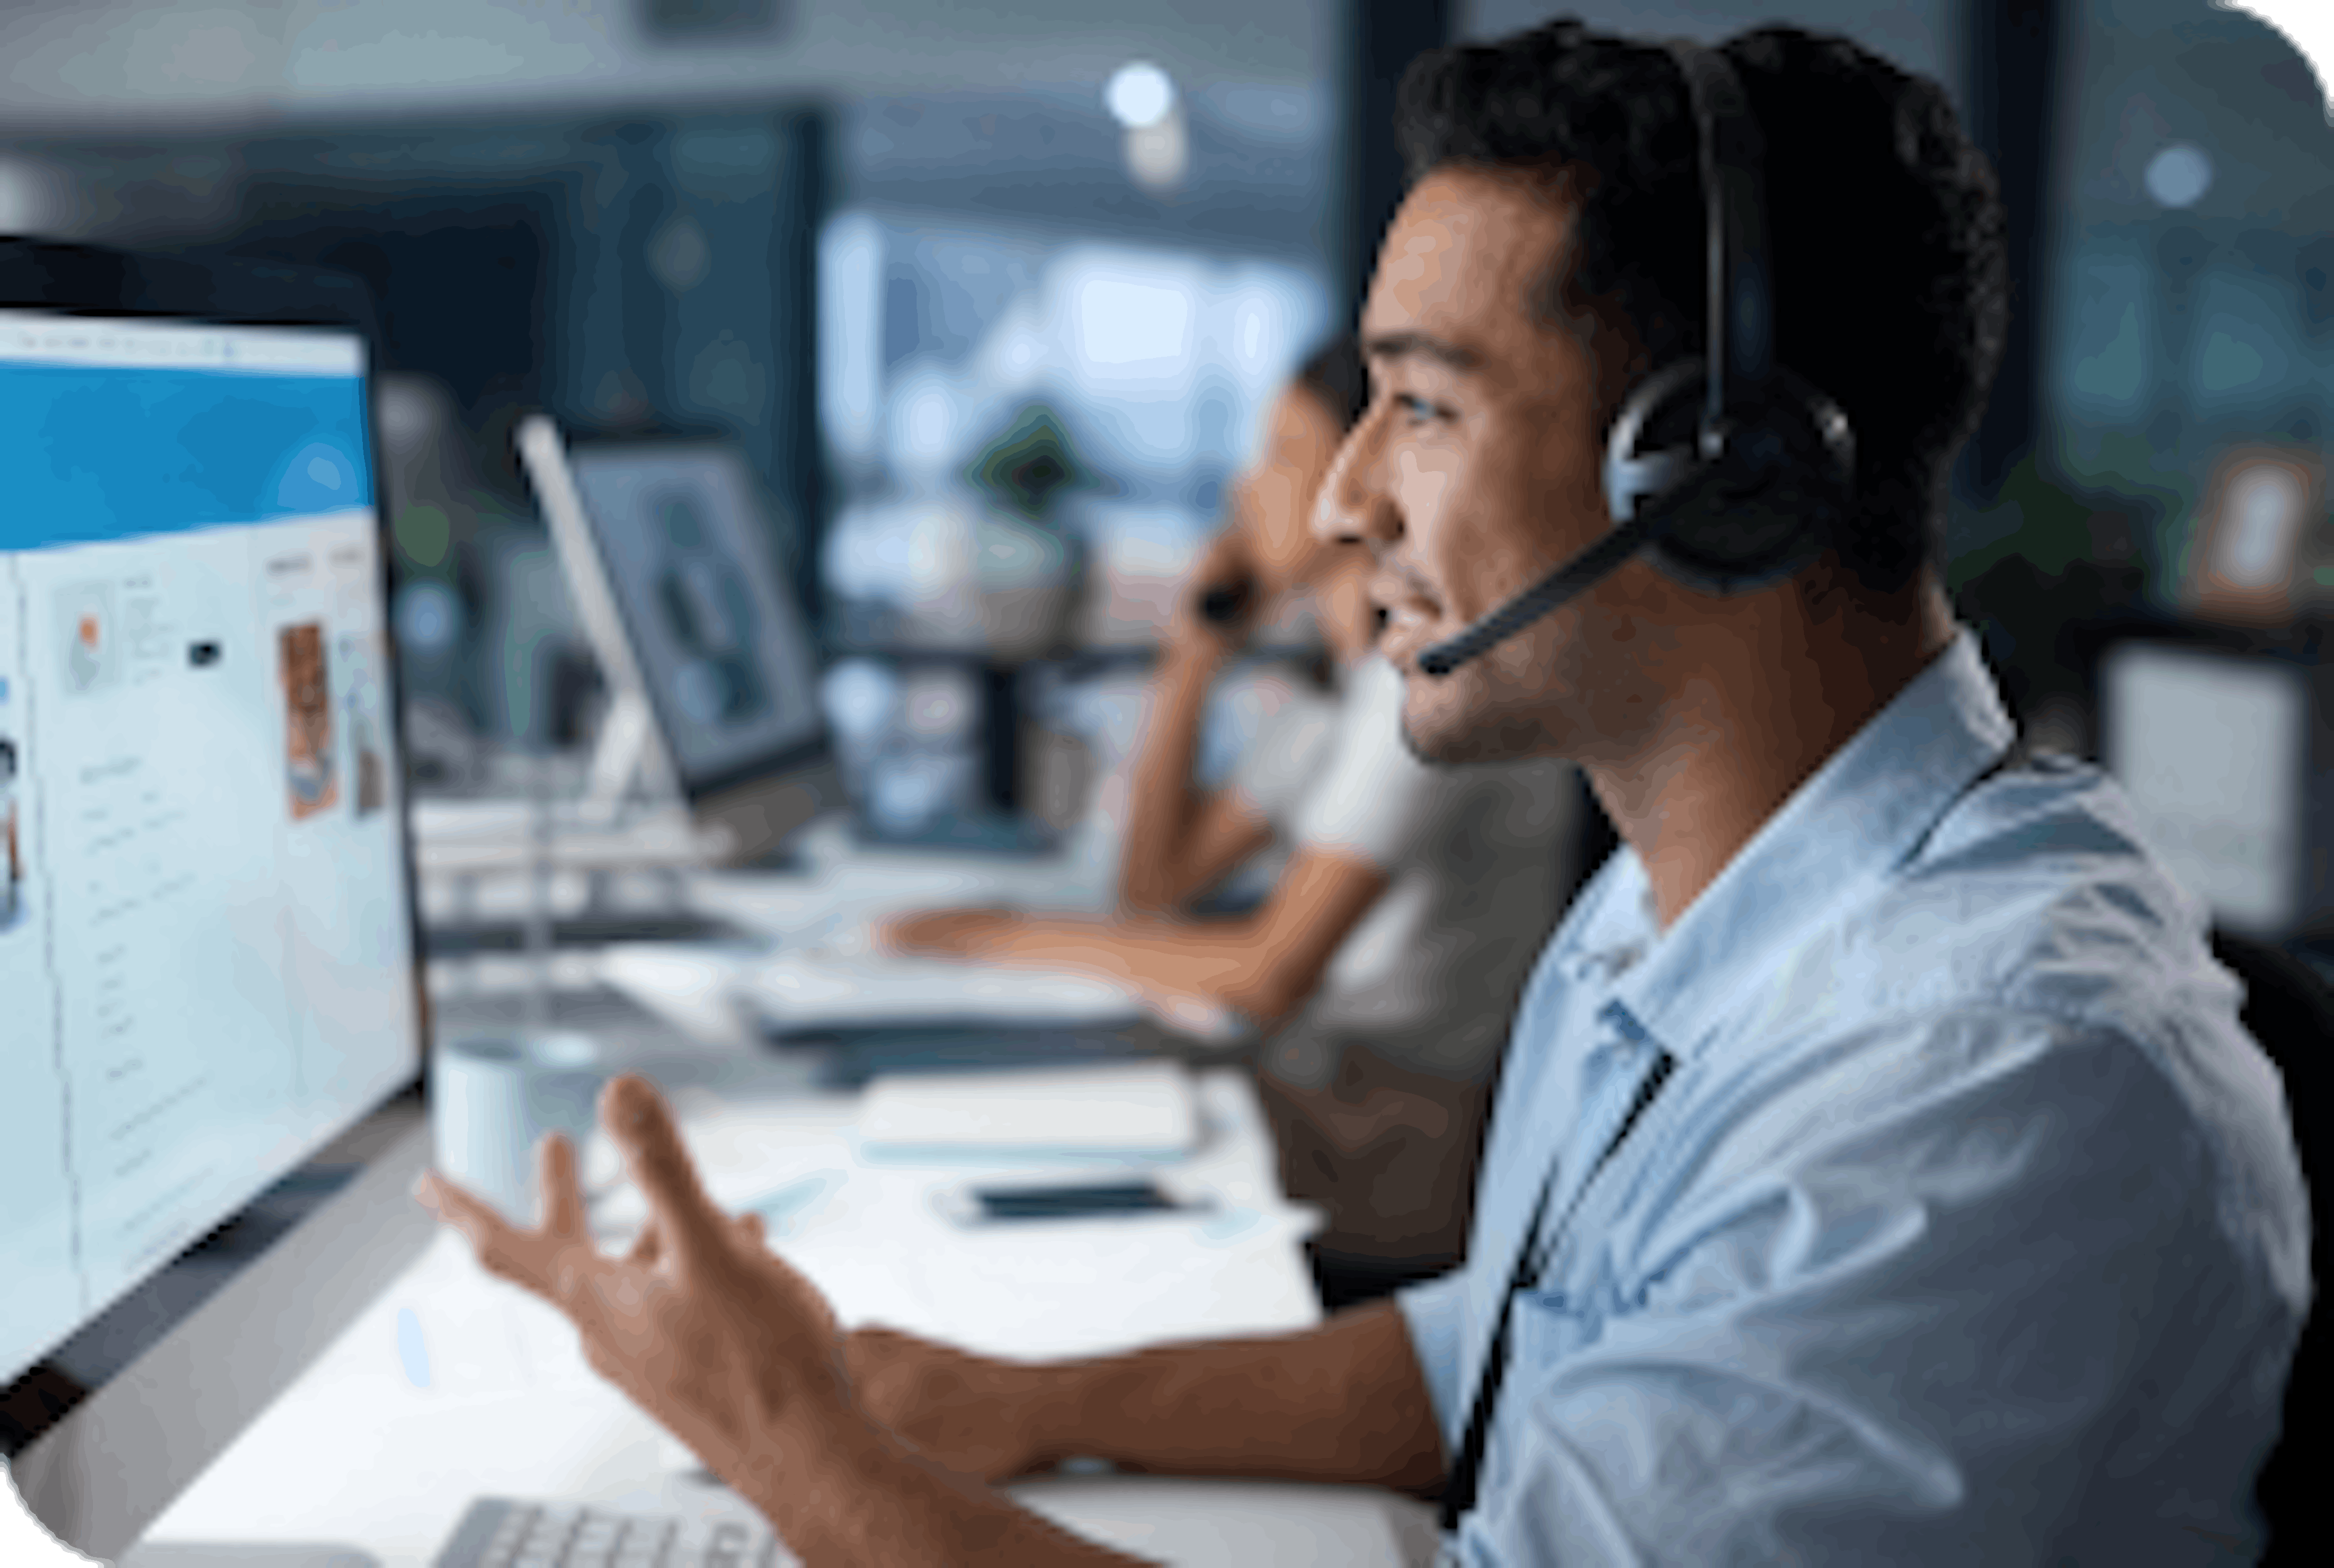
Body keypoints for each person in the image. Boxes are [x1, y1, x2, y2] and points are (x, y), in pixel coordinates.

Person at [419, 19, 2312, 1563]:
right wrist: (1010, 1400)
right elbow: (1503, 1348)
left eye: (1422, 405)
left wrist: (792, 1450)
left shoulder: (1976, 1070)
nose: (1341, 506)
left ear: (1717, 471)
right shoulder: (1691, 901)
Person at [884, 336, 1582, 1306]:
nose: (1248, 492)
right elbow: (1156, 888)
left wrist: (997, 939)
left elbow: (1261, 976)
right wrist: (1193, 653)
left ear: (1363, 479)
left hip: (1384, 1165)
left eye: (1281, 457)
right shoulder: (1337, 700)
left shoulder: (1424, 700)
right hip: (1320, 1109)